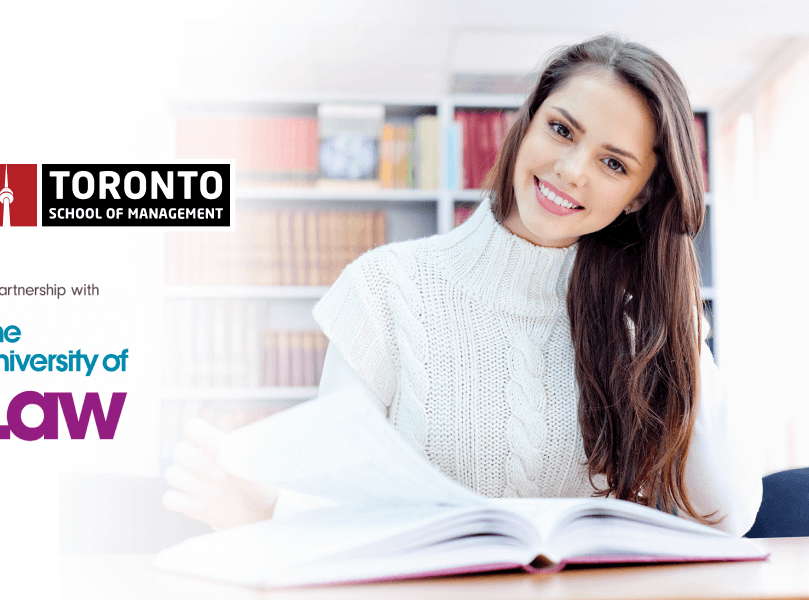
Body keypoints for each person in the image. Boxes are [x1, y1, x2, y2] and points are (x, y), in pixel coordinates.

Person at [163, 34, 763, 536]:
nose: (571, 169)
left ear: (639, 199)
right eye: (561, 129)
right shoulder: (384, 291)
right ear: (526, 127)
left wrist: (682, 328)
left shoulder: (637, 329)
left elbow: (729, 515)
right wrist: (264, 507)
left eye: (614, 164)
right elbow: (338, 504)